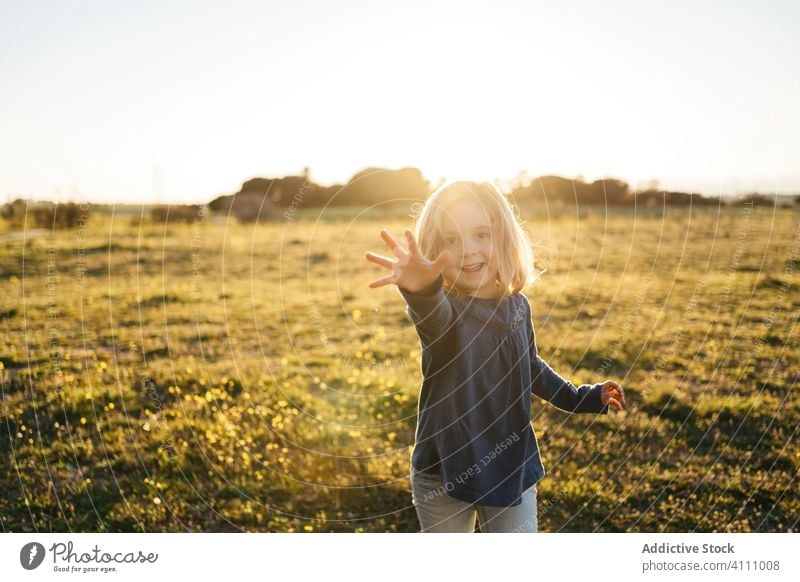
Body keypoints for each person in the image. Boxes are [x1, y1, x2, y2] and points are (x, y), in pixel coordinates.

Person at [365, 180, 626, 533]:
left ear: (503, 237)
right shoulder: (446, 314)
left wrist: (582, 397)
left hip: (510, 464)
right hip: (444, 470)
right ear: (432, 250)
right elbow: (432, 317)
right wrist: (423, 290)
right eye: (450, 240)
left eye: (481, 234)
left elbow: (530, 367)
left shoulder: (518, 307)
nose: (468, 250)